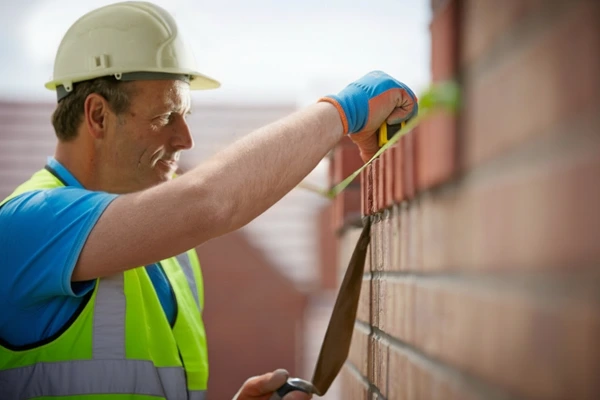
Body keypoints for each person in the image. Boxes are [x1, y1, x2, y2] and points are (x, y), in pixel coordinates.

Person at [0, 1, 417, 399]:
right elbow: (210, 200)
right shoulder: (28, 225)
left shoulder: (172, 259)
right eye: (165, 117)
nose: (185, 139)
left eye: (186, 116)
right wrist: (342, 113)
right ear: (97, 116)